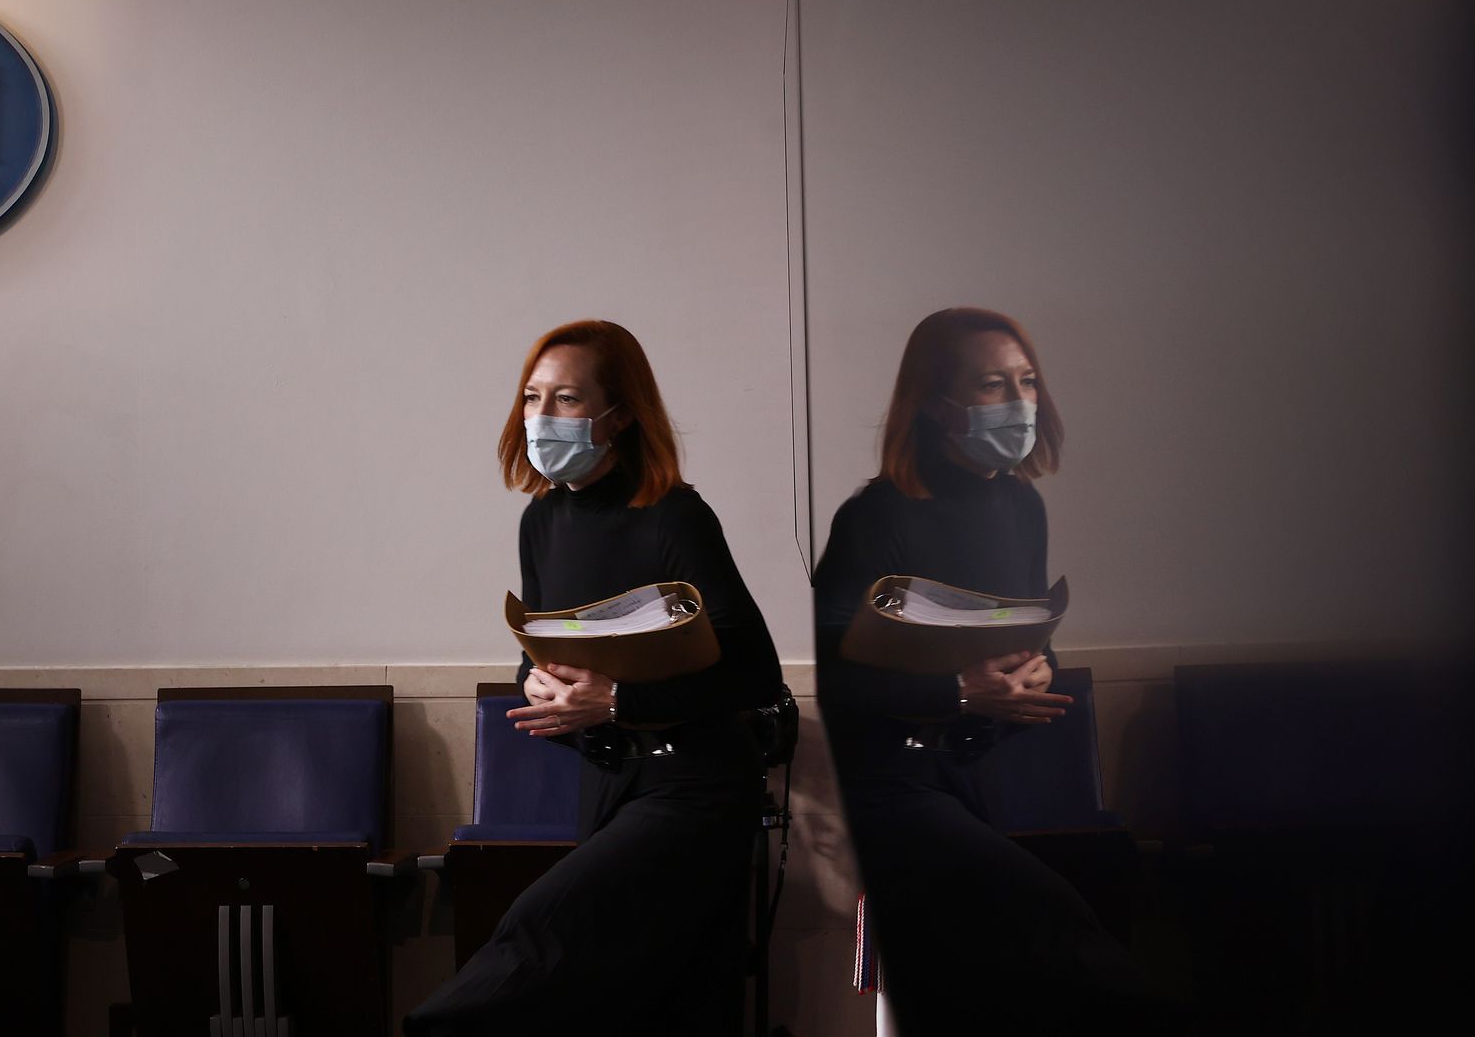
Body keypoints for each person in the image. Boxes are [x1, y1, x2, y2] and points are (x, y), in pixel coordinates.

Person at [404, 320, 781, 1036]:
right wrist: (533, 684)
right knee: (657, 998)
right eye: (533, 397)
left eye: (567, 399)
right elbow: (543, 647)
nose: (542, 417)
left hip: (697, 787)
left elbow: (756, 672)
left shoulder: (676, 515)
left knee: (538, 937)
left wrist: (619, 698)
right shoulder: (541, 520)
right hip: (608, 782)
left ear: (620, 414)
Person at [814, 307, 1175, 1035]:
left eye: (1027, 381)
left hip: (971, 774)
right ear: (938, 405)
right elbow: (838, 683)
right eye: (991, 385)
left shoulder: (1020, 504)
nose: (1018, 402)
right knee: (1072, 947)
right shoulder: (873, 516)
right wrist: (957, 690)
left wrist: (1037, 672)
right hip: (886, 789)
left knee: (995, 979)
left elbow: (1024, 635)